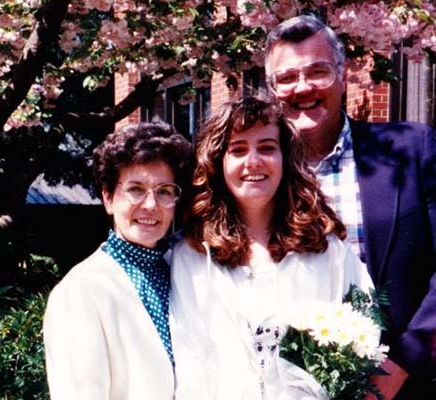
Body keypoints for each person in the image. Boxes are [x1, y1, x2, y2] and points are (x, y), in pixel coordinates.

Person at [263, 14, 436, 399]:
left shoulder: (411, 150)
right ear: (272, 90)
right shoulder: (255, 176)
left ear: (342, 77)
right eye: (286, 78)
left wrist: (402, 363)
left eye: (317, 72)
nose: (302, 88)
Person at [169, 94, 375, 399]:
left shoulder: (326, 251)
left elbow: (365, 335)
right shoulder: (191, 258)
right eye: (238, 150)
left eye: (267, 148)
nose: (253, 161)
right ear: (218, 163)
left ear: (285, 159)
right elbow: (187, 367)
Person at [43, 121, 193, 399]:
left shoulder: (184, 271)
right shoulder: (79, 292)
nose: (151, 204)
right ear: (109, 198)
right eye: (136, 189)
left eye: (164, 191)